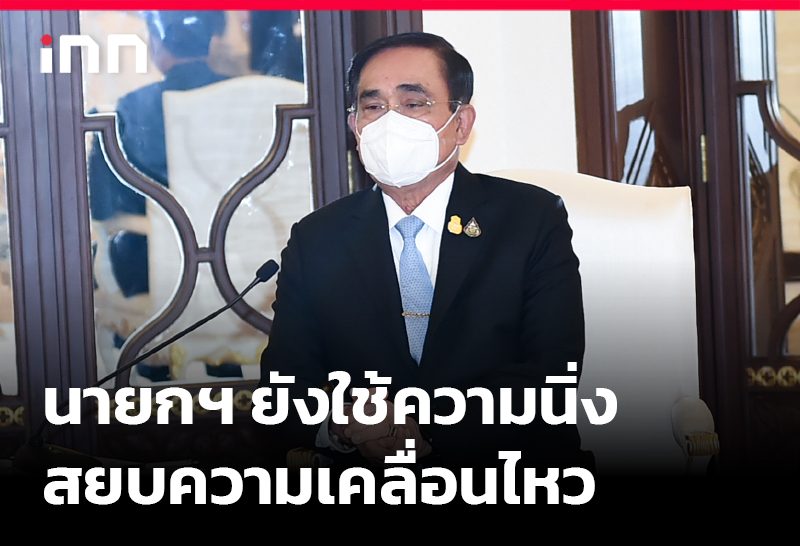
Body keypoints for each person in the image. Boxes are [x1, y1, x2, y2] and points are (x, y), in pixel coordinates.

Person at [259, 32, 588, 470]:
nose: (390, 122)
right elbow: (282, 393)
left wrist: (425, 430)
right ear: (355, 126)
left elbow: (549, 375)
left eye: (414, 103)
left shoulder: (530, 218)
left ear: (461, 123)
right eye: (373, 107)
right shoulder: (317, 239)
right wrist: (342, 426)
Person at [88, 11, 227, 380]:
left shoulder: (131, 108)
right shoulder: (251, 99)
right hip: (241, 273)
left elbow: (101, 207)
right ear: (212, 38)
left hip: (152, 280)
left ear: (156, 41)